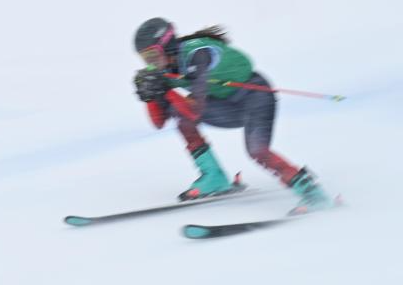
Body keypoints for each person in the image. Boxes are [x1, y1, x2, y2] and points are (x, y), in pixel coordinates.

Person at [132, 18, 333, 213]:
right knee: (178, 112)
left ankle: (312, 192)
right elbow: (159, 122)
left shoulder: (198, 54)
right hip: (227, 105)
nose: (151, 63)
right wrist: (150, 96)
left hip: (256, 97)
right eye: (145, 58)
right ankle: (214, 177)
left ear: (168, 46)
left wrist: (165, 91)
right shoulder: (164, 70)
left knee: (257, 150)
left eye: (153, 55)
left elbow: (195, 110)